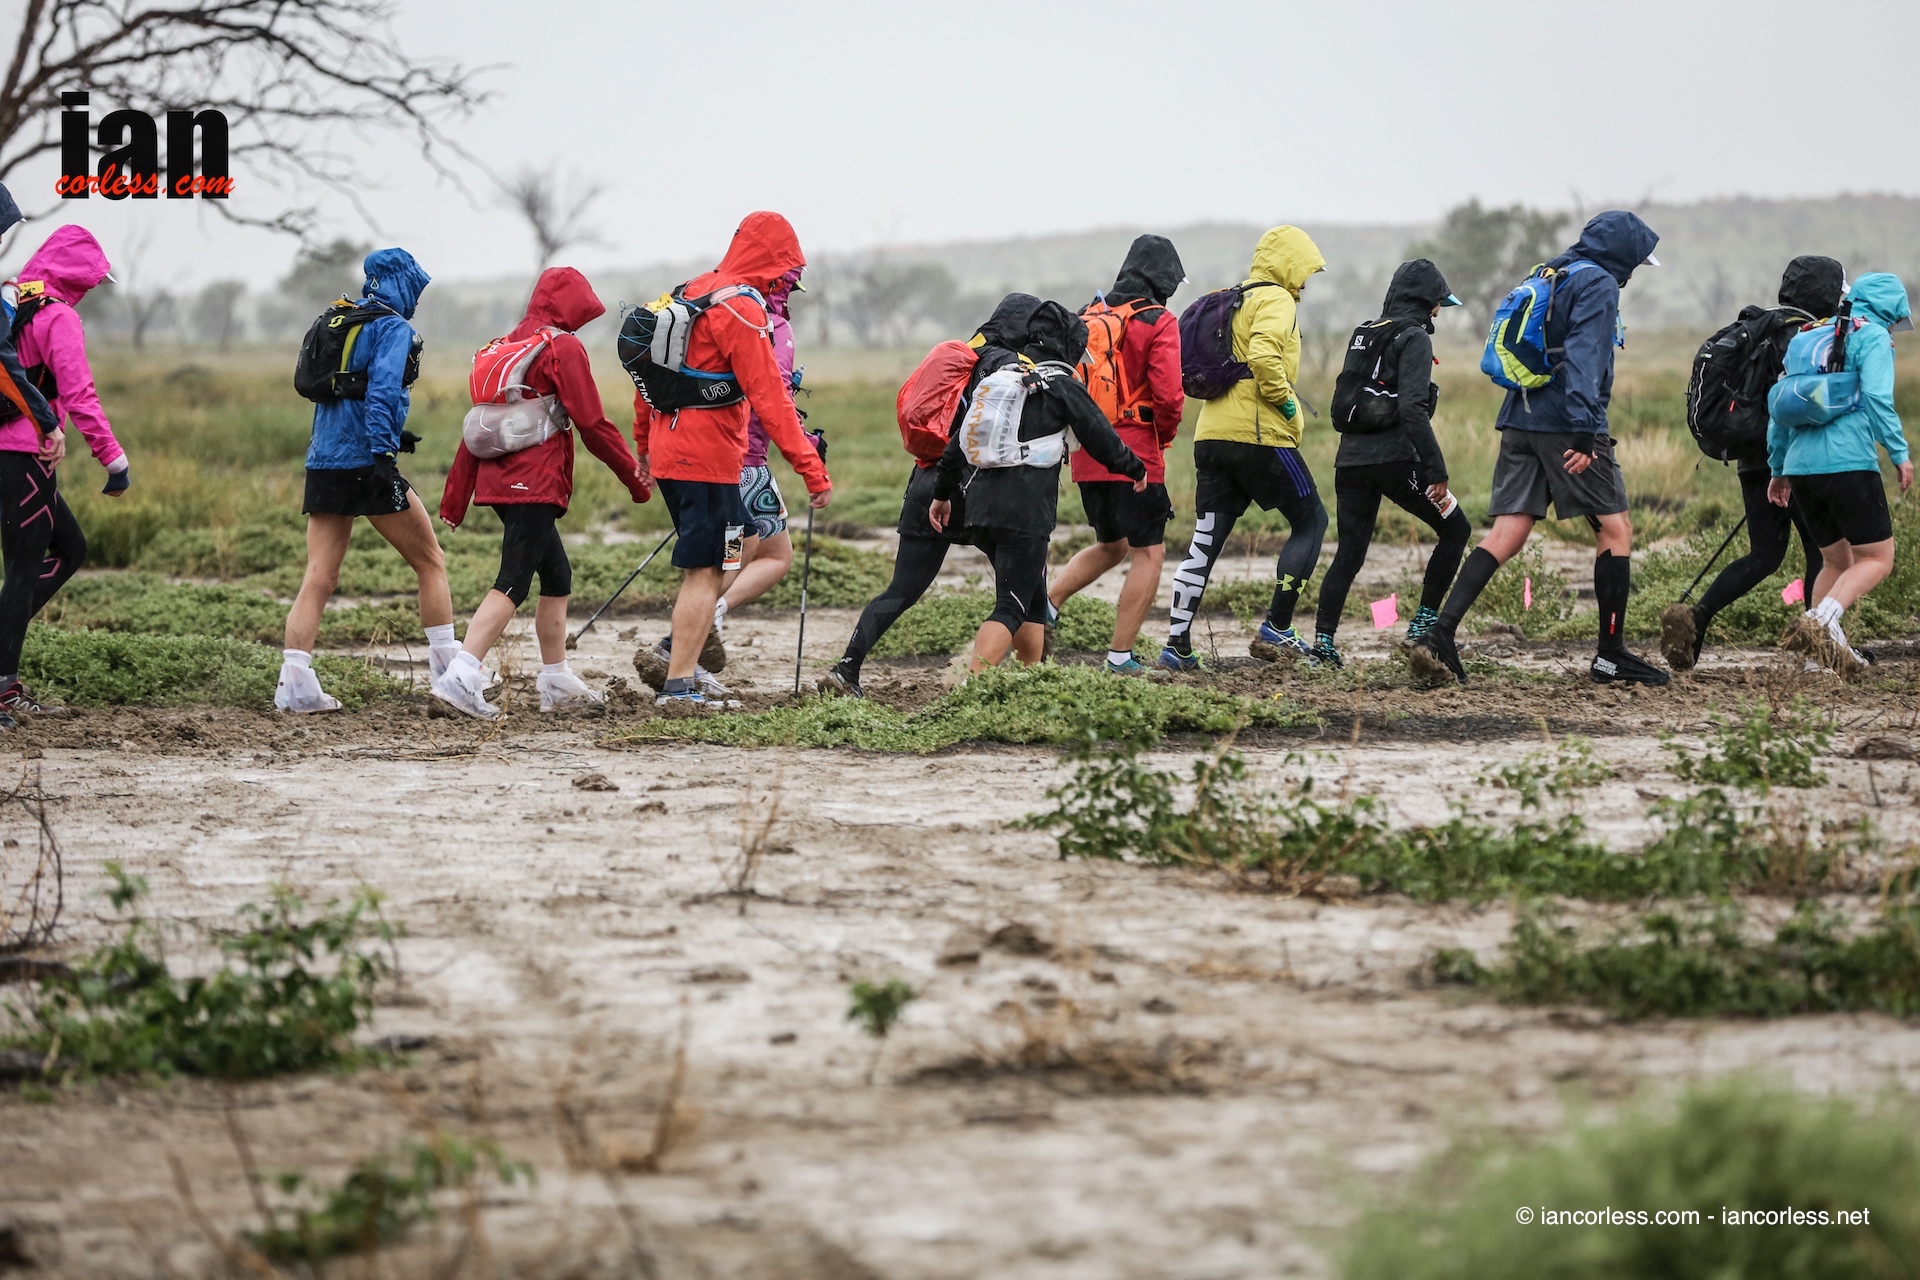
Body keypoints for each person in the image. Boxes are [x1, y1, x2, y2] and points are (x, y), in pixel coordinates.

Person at [1408, 210, 1670, 688]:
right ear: (1623, 257)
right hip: (1564, 424)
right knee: (1616, 528)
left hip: (1519, 417)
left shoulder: (1550, 271)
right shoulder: (1599, 284)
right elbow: (1586, 358)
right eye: (1635, 262)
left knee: (1508, 531)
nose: (1634, 274)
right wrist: (1584, 431)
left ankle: (1439, 635)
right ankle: (1611, 655)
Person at [431, 267, 652, 719]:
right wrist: (634, 477)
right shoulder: (561, 347)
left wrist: (456, 499)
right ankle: (461, 677)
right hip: (534, 483)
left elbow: (476, 428)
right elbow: (592, 423)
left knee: (557, 575)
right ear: (572, 306)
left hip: (499, 482)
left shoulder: (501, 348)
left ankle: (555, 678)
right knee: (513, 580)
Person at [632, 211, 831, 708]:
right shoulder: (742, 308)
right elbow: (770, 398)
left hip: (672, 453)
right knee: (705, 571)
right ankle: (678, 687)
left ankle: (686, 663)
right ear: (776, 263)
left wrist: (642, 448)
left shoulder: (689, 292)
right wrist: (811, 468)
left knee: (737, 543)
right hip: (708, 458)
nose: (784, 283)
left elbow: (647, 383)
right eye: (787, 272)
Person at [819, 293, 1040, 698]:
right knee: (1025, 587)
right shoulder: (1011, 369)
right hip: (979, 493)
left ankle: (846, 668)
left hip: (925, 484)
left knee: (901, 590)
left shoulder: (959, 356)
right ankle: (1032, 681)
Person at [277, 247, 453, 713]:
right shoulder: (393, 328)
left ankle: (294, 685)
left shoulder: (345, 320)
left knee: (319, 575)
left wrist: (396, 432)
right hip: (366, 464)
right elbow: (380, 392)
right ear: (403, 283)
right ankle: (451, 676)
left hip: (324, 462)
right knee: (431, 561)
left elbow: (347, 395)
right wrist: (383, 450)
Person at [927, 300, 1146, 670]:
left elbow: (957, 446)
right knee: (1011, 605)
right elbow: (1100, 436)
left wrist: (941, 495)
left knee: (1029, 594)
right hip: (1024, 513)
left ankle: (1033, 676)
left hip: (979, 509)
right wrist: (1134, 468)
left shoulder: (998, 381)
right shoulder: (1061, 385)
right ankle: (966, 689)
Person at [1659, 256, 1844, 671]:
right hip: (1790, 457)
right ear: (1826, 293)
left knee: (1765, 554)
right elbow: (1801, 404)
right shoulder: (1803, 335)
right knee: (1822, 548)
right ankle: (1823, 644)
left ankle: (1697, 617)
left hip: (1752, 454)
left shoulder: (1765, 325)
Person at [1161, 225, 1328, 671]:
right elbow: (1264, 358)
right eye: (1305, 271)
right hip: (1256, 433)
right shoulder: (1276, 298)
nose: (1306, 283)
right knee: (1312, 520)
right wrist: (1290, 405)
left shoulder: (1236, 298)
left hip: (1210, 435)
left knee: (1205, 541)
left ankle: (1176, 644)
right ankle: (1278, 626)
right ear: (1288, 264)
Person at [1310, 260, 1472, 668]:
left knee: (1349, 553)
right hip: (1396, 460)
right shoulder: (1415, 337)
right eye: (1438, 303)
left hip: (1350, 463)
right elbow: (1413, 409)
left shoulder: (1365, 331)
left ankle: (1323, 647)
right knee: (1456, 529)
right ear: (1426, 301)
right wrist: (1435, 469)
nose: (1439, 312)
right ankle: (1424, 630)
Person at [0, 214, 122, 722]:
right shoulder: (59, 317)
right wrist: (114, 459)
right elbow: (79, 394)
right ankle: (5, 689)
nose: (92, 289)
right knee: (24, 570)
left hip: (15, 452)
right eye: (92, 279)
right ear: (77, 274)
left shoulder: (15, 301)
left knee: (69, 547)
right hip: (26, 454)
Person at [1047, 235, 1186, 675]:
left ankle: (1046, 607)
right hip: (1137, 454)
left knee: (1112, 545)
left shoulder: (1088, 315)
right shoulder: (1158, 320)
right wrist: (1162, 440)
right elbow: (1168, 397)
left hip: (1087, 452)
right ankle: (1120, 658)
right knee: (1149, 553)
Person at [1771, 272, 1913, 675]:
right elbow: (1876, 398)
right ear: (1890, 313)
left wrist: (1778, 469)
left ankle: (1818, 660)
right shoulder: (1873, 338)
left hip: (1801, 468)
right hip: (1848, 462)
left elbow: (1781, 406)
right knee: (1878, 557)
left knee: (1835, 559)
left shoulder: (1805, 337)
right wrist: (1899, 453)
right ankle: (1822, 620)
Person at [702, 265, 806, 695]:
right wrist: (801, 442)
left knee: (755, 551)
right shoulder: (774, 325)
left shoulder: (725, 309)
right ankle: (698, 630)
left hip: (711, 455)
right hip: (747, 463)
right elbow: (771, 395)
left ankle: (702, 625)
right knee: (755, 556)